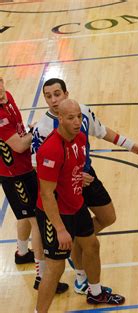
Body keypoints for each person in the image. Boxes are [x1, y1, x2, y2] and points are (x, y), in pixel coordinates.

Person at [32, 78, 138, 294]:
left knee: (108, 217)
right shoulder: (43, 128)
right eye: (48, 96)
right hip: (65, 189)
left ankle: (77, 241)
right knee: (87, 241)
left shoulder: (81, 112)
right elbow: (39, 168)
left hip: (87, 176)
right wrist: (71, 177)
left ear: (66, 94)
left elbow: (102, 131)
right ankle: (81, 277)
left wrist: (132, 146)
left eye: (57, 94)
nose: (53, 100)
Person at [35, 99, 125, 313]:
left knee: (92, 246)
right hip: (55, 213)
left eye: (79, 117)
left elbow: (71, 170)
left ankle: (95, 293)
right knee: (55, 268)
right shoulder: (51, 150)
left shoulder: (80, 138)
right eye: (70, 118)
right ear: (60, 120)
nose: (77, 122)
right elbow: (47, 195)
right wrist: (60, 228)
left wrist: (79, 176)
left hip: (77, 206)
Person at [0, 76, 68, 293]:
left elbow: (18, 132)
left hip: (25, 168)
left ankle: (22, 253)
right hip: (14, 175)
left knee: (25, 215)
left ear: (2, 81)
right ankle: (41, 276)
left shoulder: (8, 97)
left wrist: (28, 130)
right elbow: (19, 146)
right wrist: (36, 130)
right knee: (36, 221)